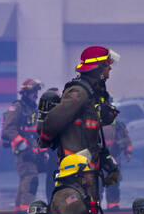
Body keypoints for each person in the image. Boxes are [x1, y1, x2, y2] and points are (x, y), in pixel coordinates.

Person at [39, 45, 121, 199]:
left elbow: (86, 127)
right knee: (79, 213)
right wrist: (44, 139)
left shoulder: (92, 93)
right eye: (107, 66)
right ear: (99, 68)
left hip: (86, 167)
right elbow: (52, 121)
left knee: (90, 211)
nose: (109, 71)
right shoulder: (79, 93)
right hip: (76, 170)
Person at [2, 78, 44, 211]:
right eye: (33, 92)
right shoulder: (18, 107)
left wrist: (41, 151)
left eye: (37, 92)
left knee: (25, 180)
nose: (36, 95)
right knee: (31, 179)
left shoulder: (32, 109)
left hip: (32, 151)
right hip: (23, 151)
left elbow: (35, 132)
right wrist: (20, 144)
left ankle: (19, 209)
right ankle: (27, 210)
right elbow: (8, 128)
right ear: (25, 93)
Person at [100, 107, 132, 209]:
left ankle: (113, 206)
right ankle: (97, 206)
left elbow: (126, 139)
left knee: (112, 183)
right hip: (97, 158)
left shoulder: (118, 125)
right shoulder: (94, 123)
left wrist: (128, 152)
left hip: (113, 158)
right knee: (97, 184)